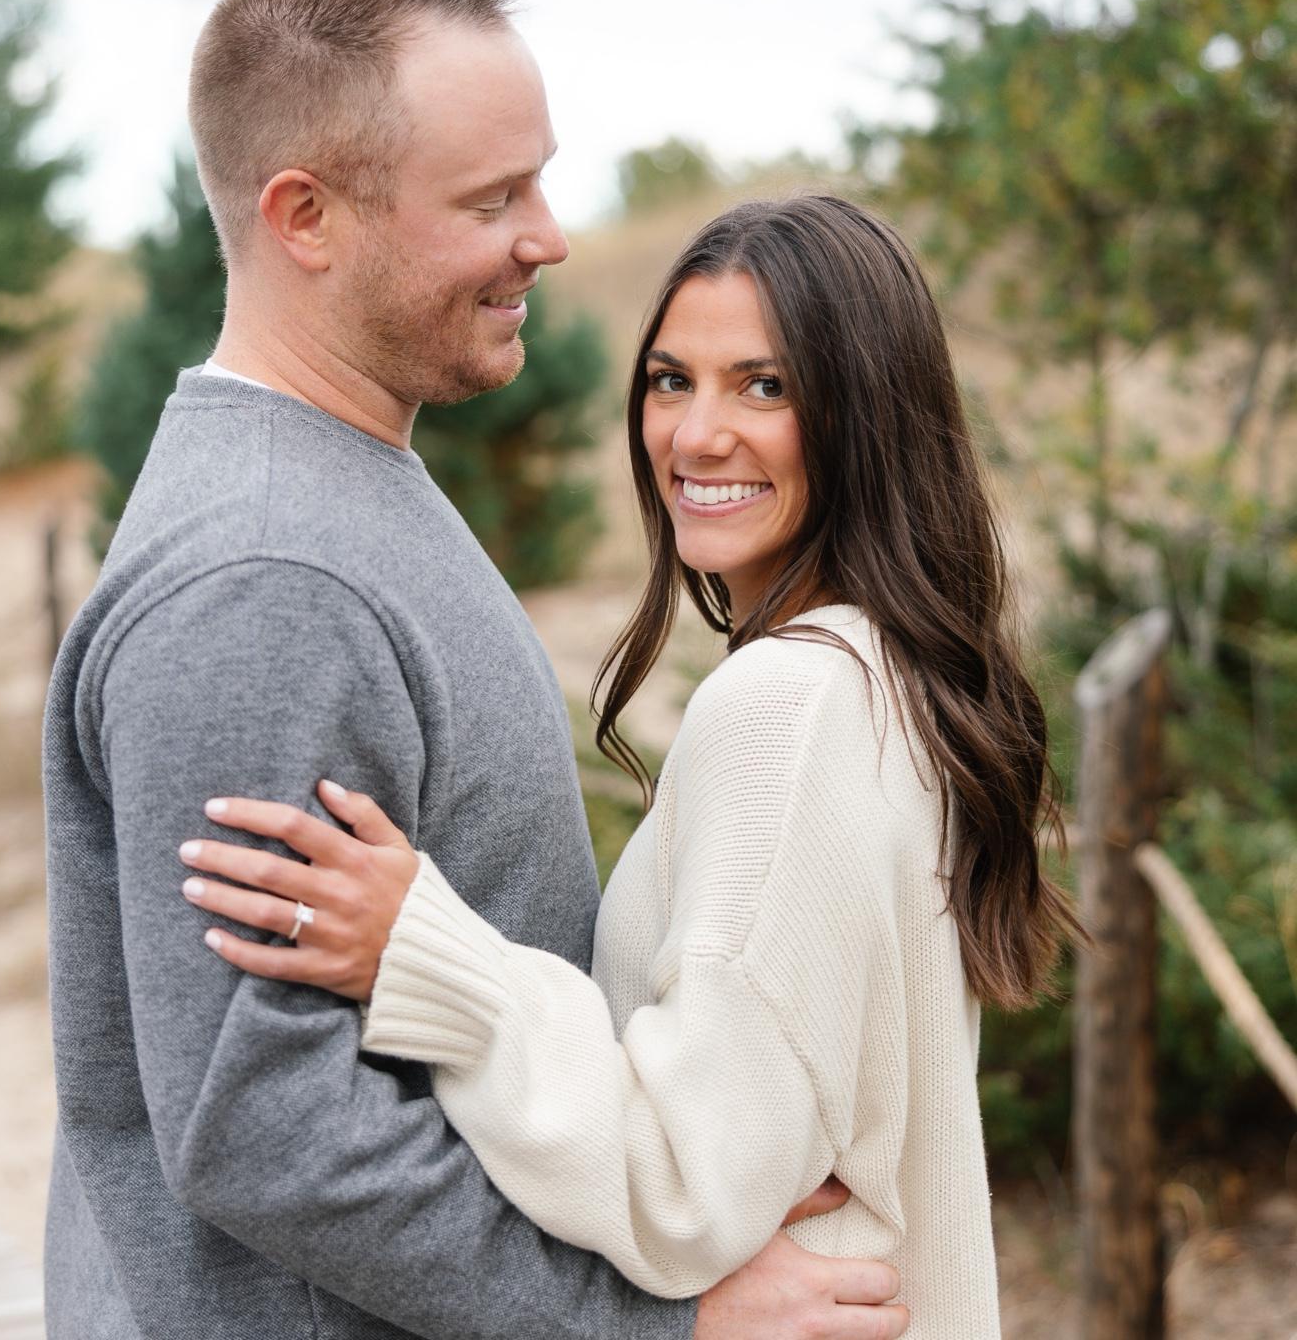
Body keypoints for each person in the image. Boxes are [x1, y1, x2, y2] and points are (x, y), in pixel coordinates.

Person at [41, 0, 909, 1338]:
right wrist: (651, 1325)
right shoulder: (269, 580)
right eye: (493, 196)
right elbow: (270, 1133)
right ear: (305, 217)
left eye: (542, 180)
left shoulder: (346, 488)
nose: (547, 237)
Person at [178, 194, 1083, 1338]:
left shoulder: (787, 705)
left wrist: (426, 953)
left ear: (867, 414)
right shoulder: (890, 679)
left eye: (765, 385)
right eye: (669, 379)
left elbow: (680, 1185)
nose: (695, 435)